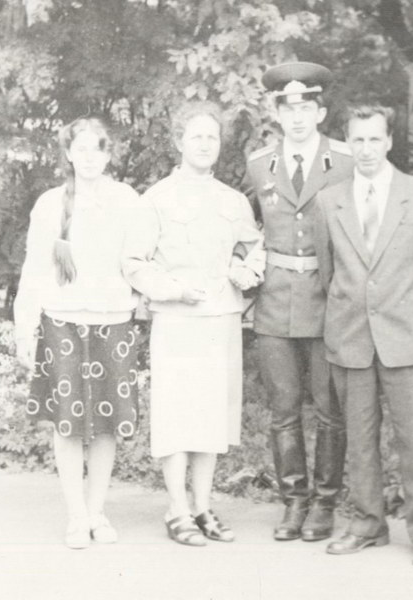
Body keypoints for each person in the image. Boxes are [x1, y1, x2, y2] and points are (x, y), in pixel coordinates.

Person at [314, 103, 413, 566]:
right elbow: (328, 273)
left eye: (375, 139)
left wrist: (407, 303)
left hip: (409, 338)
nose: (366, 149)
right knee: (359, 440)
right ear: (347, 143)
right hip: (352, 337)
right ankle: (366, 524)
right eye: (357, 139)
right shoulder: (329, 200)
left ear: (390, 141)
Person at [123, 101, 264, 546]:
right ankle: (177, 509)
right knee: (177, 415)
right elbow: (134, 263)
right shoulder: (157, 199)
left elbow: (254, 249)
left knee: (211, 417)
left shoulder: (233, 200)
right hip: (178, 320)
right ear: (178, 142)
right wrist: (171, 289)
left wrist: (246, 269)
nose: (204, 144)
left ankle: (203, 506)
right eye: (196, 136)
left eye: (212, 137)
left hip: (221, 320)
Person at [14, 116, 142, 549]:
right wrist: (25, 327)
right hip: (62, 320)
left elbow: (139, 261)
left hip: (113, 321)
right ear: (68, 153)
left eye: (97, 149)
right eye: (80, 148)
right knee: (68, 424)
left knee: (105, 424)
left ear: (108, 154)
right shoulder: (50, 204)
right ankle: (76, 516)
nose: (89, 157)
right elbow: (34, 268)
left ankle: (97, 511)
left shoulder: (126, 200)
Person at [244, 62, 354, 542]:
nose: (297, 118)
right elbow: (246, 229)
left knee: (330, 410)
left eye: (306, 108)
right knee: (284, 410)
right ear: (277, 114)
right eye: (288, 109)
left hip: (329, 300)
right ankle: (294, 502)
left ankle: (325, 504)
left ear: (321, 113)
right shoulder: (259, 164)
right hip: (275, 300)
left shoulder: (344, 161)